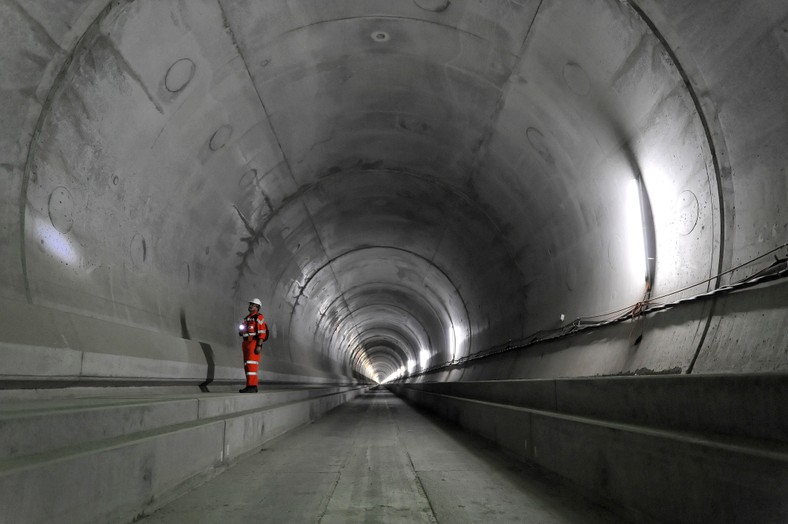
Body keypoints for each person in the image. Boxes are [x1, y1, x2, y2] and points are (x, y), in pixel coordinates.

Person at [238, 298, 267, 393]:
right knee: (247, 365)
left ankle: (252, 386)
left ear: (257, 307)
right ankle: (249, 385)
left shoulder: (259, 317)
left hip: (253, 343)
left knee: (252, 366)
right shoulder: (247, 318)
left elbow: (262, 332)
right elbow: (244, 330)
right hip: (246, 343)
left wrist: (259, 345)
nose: (250, 306)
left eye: (253, 304)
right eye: (250, 304)